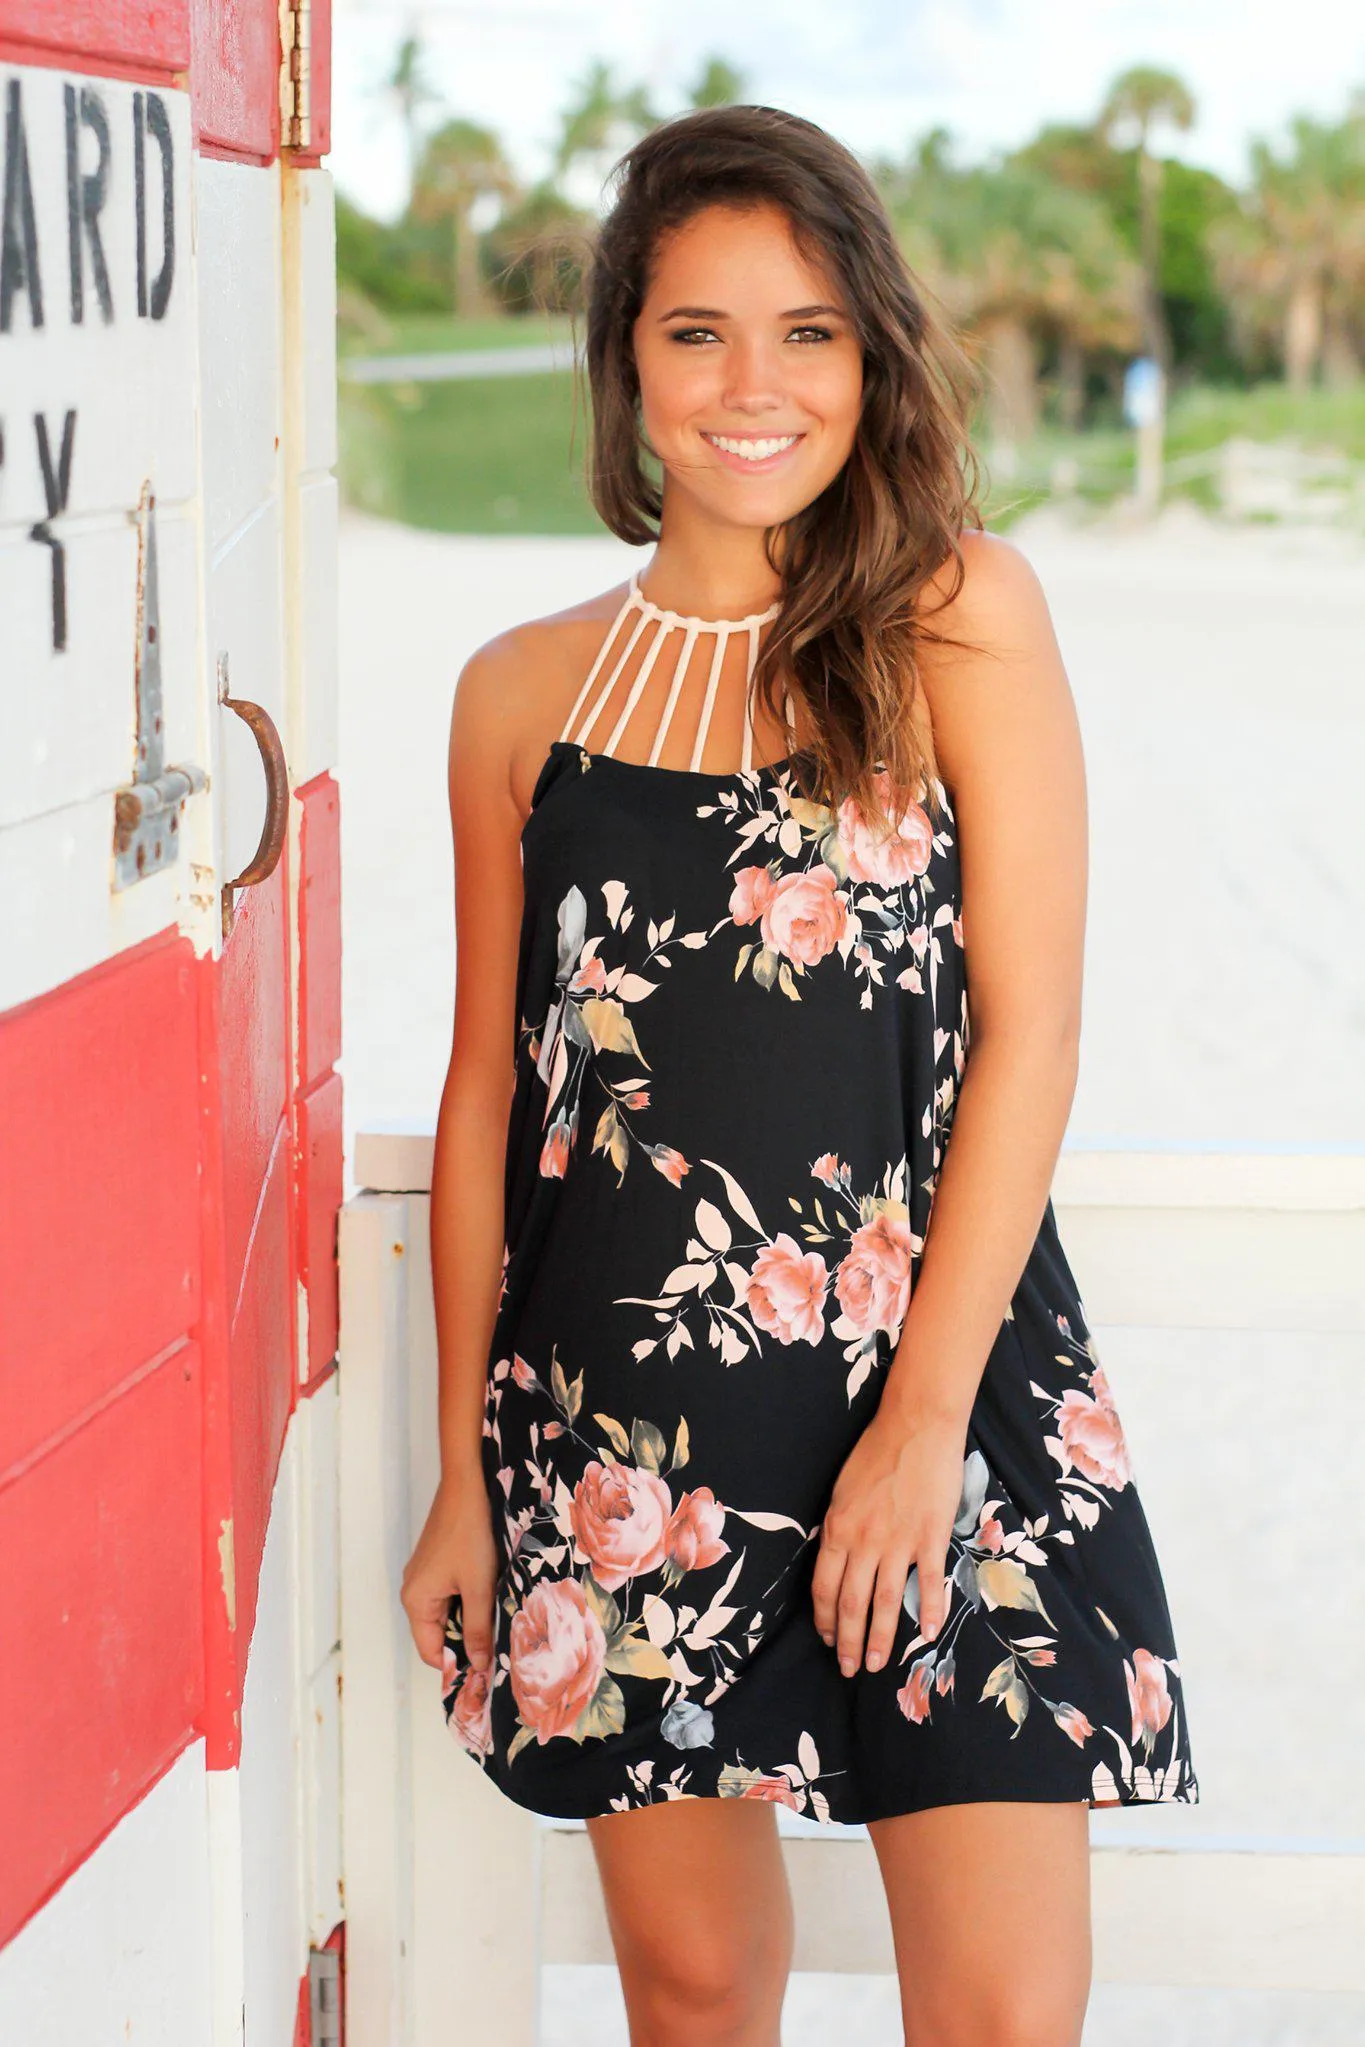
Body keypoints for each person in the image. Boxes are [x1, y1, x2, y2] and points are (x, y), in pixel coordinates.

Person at [401, 103, 1197, 2047]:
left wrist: (924, 1422)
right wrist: (454, 1479)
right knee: (689, 1988)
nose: (752, 385)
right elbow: (492, 1104)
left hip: (939, 1394)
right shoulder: (518, 695)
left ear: (871, 357)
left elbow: (1035, 1032)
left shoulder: (956, 619)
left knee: (1002, 2012)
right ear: (625, 362)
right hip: (624, 1433)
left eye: (808, 331)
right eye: (696, 332)